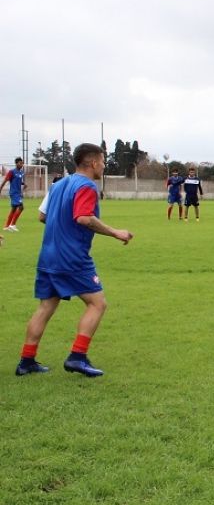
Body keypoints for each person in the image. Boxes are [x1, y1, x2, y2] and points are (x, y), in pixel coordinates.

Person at [15, 143, 134, 377]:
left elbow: (42, 216)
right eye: (102, 161)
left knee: (46, 307)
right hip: (72, 257)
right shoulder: (87, 186)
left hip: (48, 254)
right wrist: (115, 232)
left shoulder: (58, 185)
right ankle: (77, 357)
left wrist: (61, 227)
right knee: (97, 303)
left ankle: (26, 361)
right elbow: (83, 218)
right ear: (93, 162)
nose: (103, 165)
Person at [1, 157, 26, 232]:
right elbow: (5, 180)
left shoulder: (21, 172)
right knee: (21, 207)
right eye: (20, 163)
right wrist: (0, 189)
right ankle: (13, 224)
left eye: (22, 163)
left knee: (14, 209)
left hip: (18, 193)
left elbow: (17, 181)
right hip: (14, 193)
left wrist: (24, 184)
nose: (21, 164)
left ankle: (7, 226)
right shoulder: (11, 172)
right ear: (16, 163)